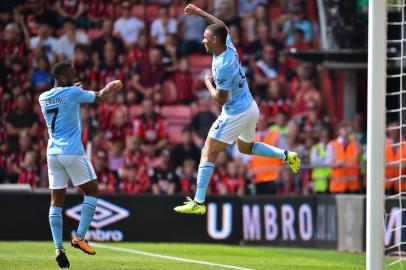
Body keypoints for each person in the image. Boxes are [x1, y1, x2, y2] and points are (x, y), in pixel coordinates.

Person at [174, 4, 301, 215]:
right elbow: (220, 24)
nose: (203, 40)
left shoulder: (224, 66)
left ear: (214, 40)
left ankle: (198, 202)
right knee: (246, 148)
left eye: (206, 37)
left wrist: (207, 82)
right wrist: (198, 12)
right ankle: (286, 155)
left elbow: (218, 99)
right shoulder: (227, 43)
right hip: (251, 107)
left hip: (235, 112)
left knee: (208, 151)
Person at [38, 61, 122, 268]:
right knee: (92, 192)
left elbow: (62, 98)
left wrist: (71, 90)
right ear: (64, 77)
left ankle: (58, 248)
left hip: (53, 153)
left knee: (56, 201)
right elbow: (100, 97)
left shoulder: (43, 97)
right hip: (72, 151)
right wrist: (110, 87)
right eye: (72, 73)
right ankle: (80, 237)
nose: (76, 76)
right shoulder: (72, 93)